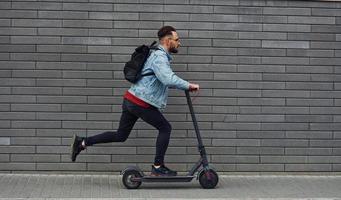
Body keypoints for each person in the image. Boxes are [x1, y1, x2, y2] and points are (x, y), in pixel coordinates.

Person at [70, 26, 200, 176]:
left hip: (131, 99)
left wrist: (183, 85)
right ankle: (158, 167)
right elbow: (167, 78)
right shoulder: (159, 57)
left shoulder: (156, 54)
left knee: (121, 135)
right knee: (165, 128)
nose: (179, 43)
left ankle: (82, 142)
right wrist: (189, 85)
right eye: (177, 40)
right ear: (167, 40)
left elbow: (164, 78)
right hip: (140, 102)